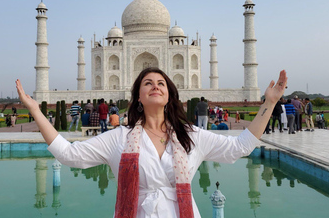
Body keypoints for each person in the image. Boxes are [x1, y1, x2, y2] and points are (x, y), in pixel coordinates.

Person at [16, 67, 287, 218]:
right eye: (148, 83)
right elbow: (68, 155)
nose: (155, 86)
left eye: (161, 83)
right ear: (138, 97)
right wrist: (36, 111)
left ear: (169, 95)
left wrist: (270, 103)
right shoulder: (119, 139)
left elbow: (240, 146)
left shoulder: (190, 135)